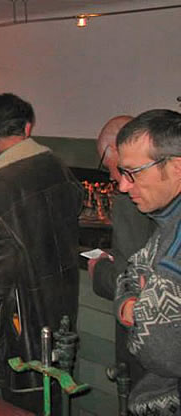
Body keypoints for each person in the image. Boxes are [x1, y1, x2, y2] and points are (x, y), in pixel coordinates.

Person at [0, 93, 82, 414]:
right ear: (28, 127)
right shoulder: (57, 165)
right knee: (57, 385)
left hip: (23, 308)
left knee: (25, 392)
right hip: (64, 293)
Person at [113, 109, 181, 415]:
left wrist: (132, 309)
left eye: (133, 172)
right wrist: (136, 302)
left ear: (177, 167)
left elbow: (158, 350)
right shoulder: (167, 221)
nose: (123, 186)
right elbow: (130, 272)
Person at [88, 115, 156, 391]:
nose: (116, 182)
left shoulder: (130, 201)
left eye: (109, 168)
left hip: (146, 349)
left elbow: (130, 282)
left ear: (115, 149)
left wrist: (99, 270)